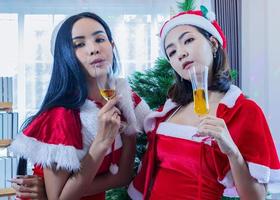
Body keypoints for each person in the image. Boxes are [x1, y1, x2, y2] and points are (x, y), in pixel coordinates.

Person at [127, 5, 280, 200]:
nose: (180, 53)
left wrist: (232, 151)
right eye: (171, 52)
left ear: (214, 44)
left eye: (188, 40)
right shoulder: (168, 112)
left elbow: (255, 197)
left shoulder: (244, 111)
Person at [9, 12, 150, 200]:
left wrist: (54, 193)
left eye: (100, 39)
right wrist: (101, 141)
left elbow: (123, 176)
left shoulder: (125, 99)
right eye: (79, 44)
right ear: (67, 57)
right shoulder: (62, 116)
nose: (94, 49)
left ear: (112, 46)